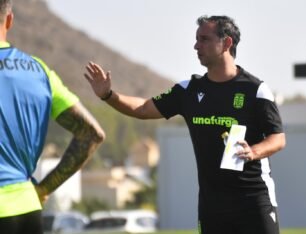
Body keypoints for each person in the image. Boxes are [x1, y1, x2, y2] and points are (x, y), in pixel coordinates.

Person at [85, 15, 286, 234]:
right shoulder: (188, 90)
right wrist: (108, 95)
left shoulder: (256, 89)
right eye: (196, 39)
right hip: (212, 205)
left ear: (226, 43)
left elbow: (278, 138)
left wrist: (254, 151)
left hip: (254, 200)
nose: (196, 45)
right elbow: (143, 108)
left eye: (204, 39)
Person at [0, 1, 105, 234]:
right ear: (9, 20)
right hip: (27, 211)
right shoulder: (39, 71)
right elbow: (92, 134)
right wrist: (44, 189)